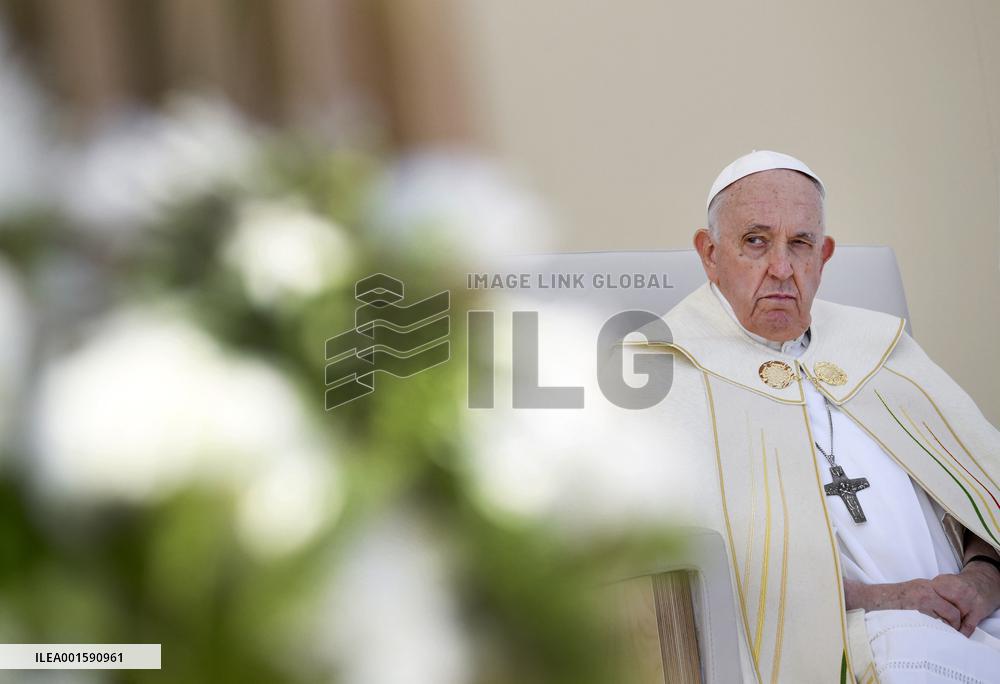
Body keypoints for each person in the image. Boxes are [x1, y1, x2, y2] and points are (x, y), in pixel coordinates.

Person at [620, 150, 1000, 682]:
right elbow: (702, 572)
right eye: (756, 241)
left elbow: (982, 489)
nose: (781, 268)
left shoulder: (881, 349)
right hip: (843, 643)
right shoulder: (662, 375)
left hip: (979, 615)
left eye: (800, 244)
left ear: (823, 255)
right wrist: (883, 598)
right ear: (709, 253)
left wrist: (983, 578)